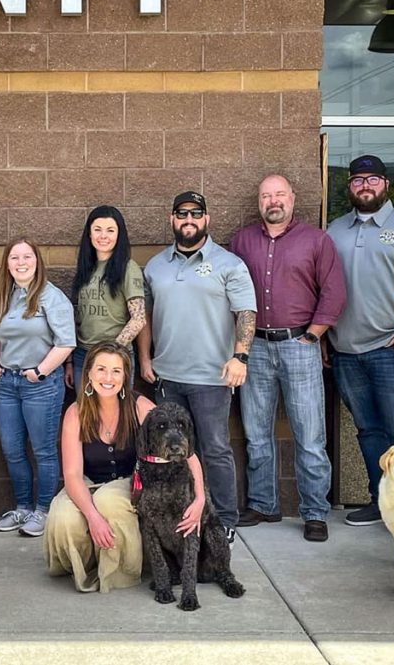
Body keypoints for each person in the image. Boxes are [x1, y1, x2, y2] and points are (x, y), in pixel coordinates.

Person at [230, 175, 345, 543]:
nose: (273, 200)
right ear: (259, 201)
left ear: (292, 198)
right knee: (256, 433)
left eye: (279, 194)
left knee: (309, 435)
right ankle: (264, 504)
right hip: (255, 348)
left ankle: (314, 512)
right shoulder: (241, 241)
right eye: (266, 195)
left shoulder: (316, 240)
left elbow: (334, 290)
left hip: (300, 344)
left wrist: (314, 335)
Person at [137, 191, 256, 543]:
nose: (188, 220)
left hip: (212, 377)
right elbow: (144, 317)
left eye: (196, 214)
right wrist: (144, 358)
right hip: (166, 376)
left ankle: (224, 519)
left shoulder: (229, 264)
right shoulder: (156, 265)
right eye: (181, 214)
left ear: (206, 219)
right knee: (168, 451)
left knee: (214, 448)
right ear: (172, 219)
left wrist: (241, 356)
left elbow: (246, 313)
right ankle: (182, 514)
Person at [44, 342, 206, 593]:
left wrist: (200, 499)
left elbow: (187, 454)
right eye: (101, 369)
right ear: (88, 373)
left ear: (125, 376)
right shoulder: (76, 413)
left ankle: (119, 572)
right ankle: (86, 565)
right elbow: (73, 475)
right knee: (63, 515)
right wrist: (92, 517)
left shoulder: (140, 407)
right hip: (88, 480)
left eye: (116, 371)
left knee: (110, 501)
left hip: (130, 479)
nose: (108, 378)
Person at [327, 155, 394, 526]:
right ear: (349, 187)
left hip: (390, 347)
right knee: (368, 431)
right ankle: (380, 501)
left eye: (373, 180)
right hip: (346, 351)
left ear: (386, 184)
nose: (365, 186)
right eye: (357, 181)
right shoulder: (335, 229)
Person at [0, 238, 76, 538]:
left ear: (37, 261)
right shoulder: (7, 295)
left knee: (43, 451)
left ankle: (43, 510)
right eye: (14, 257)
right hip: (8, 384)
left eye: (27, 257)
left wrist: (40, 371)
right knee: (12, 450)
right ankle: (23, 508)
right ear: (7, 264)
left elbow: (66, 343)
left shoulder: (51, 297)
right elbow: (0, 335)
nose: (21, 262)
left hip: (41, 384)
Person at [66, 206, 146, 392]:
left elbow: (139, 318)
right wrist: (69, 360)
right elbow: (78, 317)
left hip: (115, 357)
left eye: (110, 230)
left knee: (116, 416)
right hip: (83, 355)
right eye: (98, 229)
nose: (103, 236)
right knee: (86, 416)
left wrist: (110, 351)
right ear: (89, 234)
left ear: (119, 235)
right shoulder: (86, 268)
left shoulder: (128, 267)